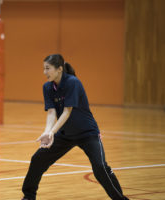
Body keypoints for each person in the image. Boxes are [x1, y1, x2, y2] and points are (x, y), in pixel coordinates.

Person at [21, 54, 129, 200]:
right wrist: (47, 132)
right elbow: (52, 112)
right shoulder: (47, 87)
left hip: (87, 133)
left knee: (100, 168)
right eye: (43, 68)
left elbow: (67, 111)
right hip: (65, 134)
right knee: (38, 159)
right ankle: (28, 196)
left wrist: (52, 131)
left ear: (59, 69)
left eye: (47, 68)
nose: (44, 72)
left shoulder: (73, 82)